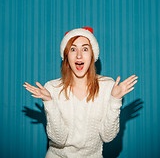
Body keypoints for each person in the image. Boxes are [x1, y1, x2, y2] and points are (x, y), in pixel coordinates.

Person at [23, 27, 138, 158]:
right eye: (73, 49)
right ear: (66, 56)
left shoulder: (108, 87)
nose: (79, 55)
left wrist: (115, 100)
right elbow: (58, 139)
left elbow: (107, 137)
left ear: (92, 55)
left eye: (85, 49)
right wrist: (49, 102)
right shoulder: (52, 88)